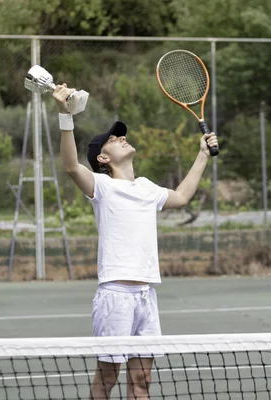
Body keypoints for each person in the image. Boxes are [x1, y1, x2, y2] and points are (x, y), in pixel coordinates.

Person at [52, 83, 218, 400]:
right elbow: (72, 166)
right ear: (102, 157)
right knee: (108, 377)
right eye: (113, 140)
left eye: (121, 135)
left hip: (146, 295)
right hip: (115, 295)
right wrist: (65, 115)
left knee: (142, 380)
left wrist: (201, 155)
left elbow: (182, 196)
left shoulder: (146, 188)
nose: (121, 138)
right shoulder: (100, 186)